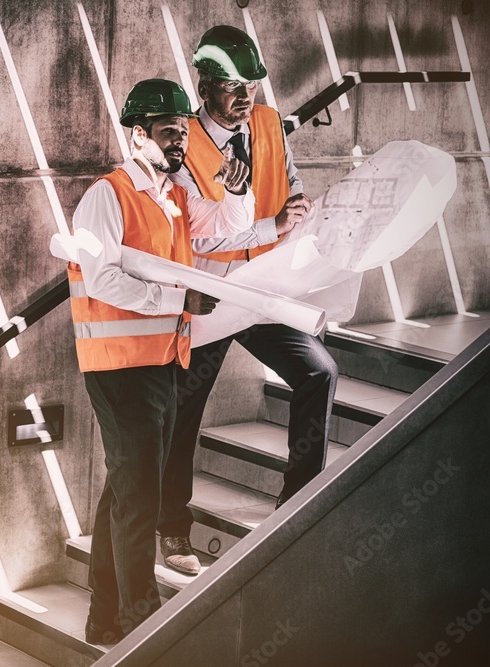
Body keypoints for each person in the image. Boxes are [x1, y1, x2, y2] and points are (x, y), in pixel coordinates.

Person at [70, 78, 254, 644]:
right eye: (169, 131)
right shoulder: (107, 195)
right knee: (141, 498)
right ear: (138, 135)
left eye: (182, 130)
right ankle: (142, 633)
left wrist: (235, 189)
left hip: (161, 363)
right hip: (121, 367)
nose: (180, 140)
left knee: (125, 490)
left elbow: (224, 234)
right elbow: (102, 279)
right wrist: (180, 301)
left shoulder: (174, 195)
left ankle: (105, 619)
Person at [158, 25, 339, 577]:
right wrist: (269, 221)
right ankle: (171, 528)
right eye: (233, 87)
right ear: (205, 85)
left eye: (253, 86)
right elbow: (188, 231)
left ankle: (297, 504)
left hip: (261, 289)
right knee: (182, 409)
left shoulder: (264, 123)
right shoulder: (180, 140)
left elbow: (288, 182)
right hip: (208, 298)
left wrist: (299, 208)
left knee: (319, 371)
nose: (246, 98)